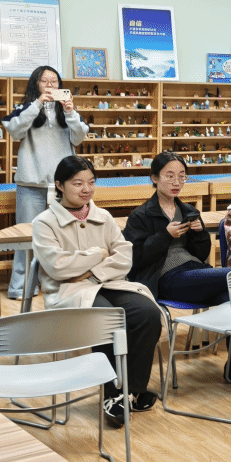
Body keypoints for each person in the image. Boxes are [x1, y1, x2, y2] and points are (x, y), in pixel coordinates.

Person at [124, 151, 231, 386]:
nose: (176, 182)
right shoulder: (140, 215)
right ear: (154, 178)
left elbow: (200, 254)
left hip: (194, 273)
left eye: (181, 176)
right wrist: (164, 236)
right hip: (164, 279)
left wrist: (199, 234)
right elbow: (134, 259)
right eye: (169, 176)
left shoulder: (188, 210)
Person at [30, 156, 162, 427]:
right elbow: (58, 267)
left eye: (91, 182)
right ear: (59, 185)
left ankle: (132, 390)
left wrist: (89, 271)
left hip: (108, 283)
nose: (86, 189)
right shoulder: (44, 222)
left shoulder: (103, 216)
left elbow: (124, 256)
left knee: (147, 313)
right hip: (68, 291)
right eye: (77, 183)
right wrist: (99, 254)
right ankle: (113, 395)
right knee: (106, 318)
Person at [1, 66, 89, 301]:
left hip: (62, 187)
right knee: (26, 238)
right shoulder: (26, 108)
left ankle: (61, 284)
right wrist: (38, 103)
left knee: (64, 237)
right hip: (31, 184)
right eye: (44, 81)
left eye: (54, 81)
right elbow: (14, 130)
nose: (50, 85)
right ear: (36, 84)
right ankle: (21, 288)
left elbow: (79, 137)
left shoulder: (67, 112)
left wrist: (70, 111)